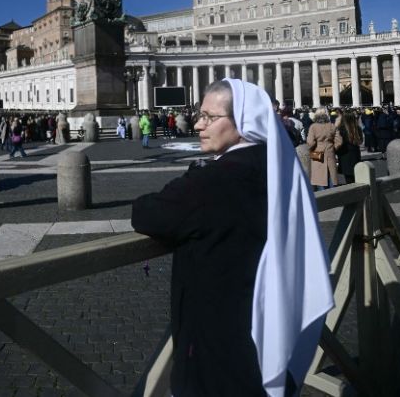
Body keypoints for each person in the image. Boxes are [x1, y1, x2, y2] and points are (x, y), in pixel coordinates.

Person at [132, 79, 333, 395]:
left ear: (243, 123)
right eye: (200, 115)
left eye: (209, 117)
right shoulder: (277, 163)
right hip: (267, 315)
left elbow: (146, 213)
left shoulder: (217, 180)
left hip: (219, 333)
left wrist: (195, 173)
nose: (198, 124)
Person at [306, 107, 342, 190]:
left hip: (317, 153)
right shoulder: (332, 126)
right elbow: (339, 141)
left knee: (319, 178)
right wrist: (333, 148)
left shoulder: (313, 127)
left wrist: (312, 149)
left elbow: (311, 142)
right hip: (330, 152)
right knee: (331, 177)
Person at [336, 110, 363, 184]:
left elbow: (338, 143)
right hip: (355, 154)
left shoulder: (341, 129)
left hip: (345, 155)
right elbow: (361, 141)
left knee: (349, 179)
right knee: (357, 177)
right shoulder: (357, 128)